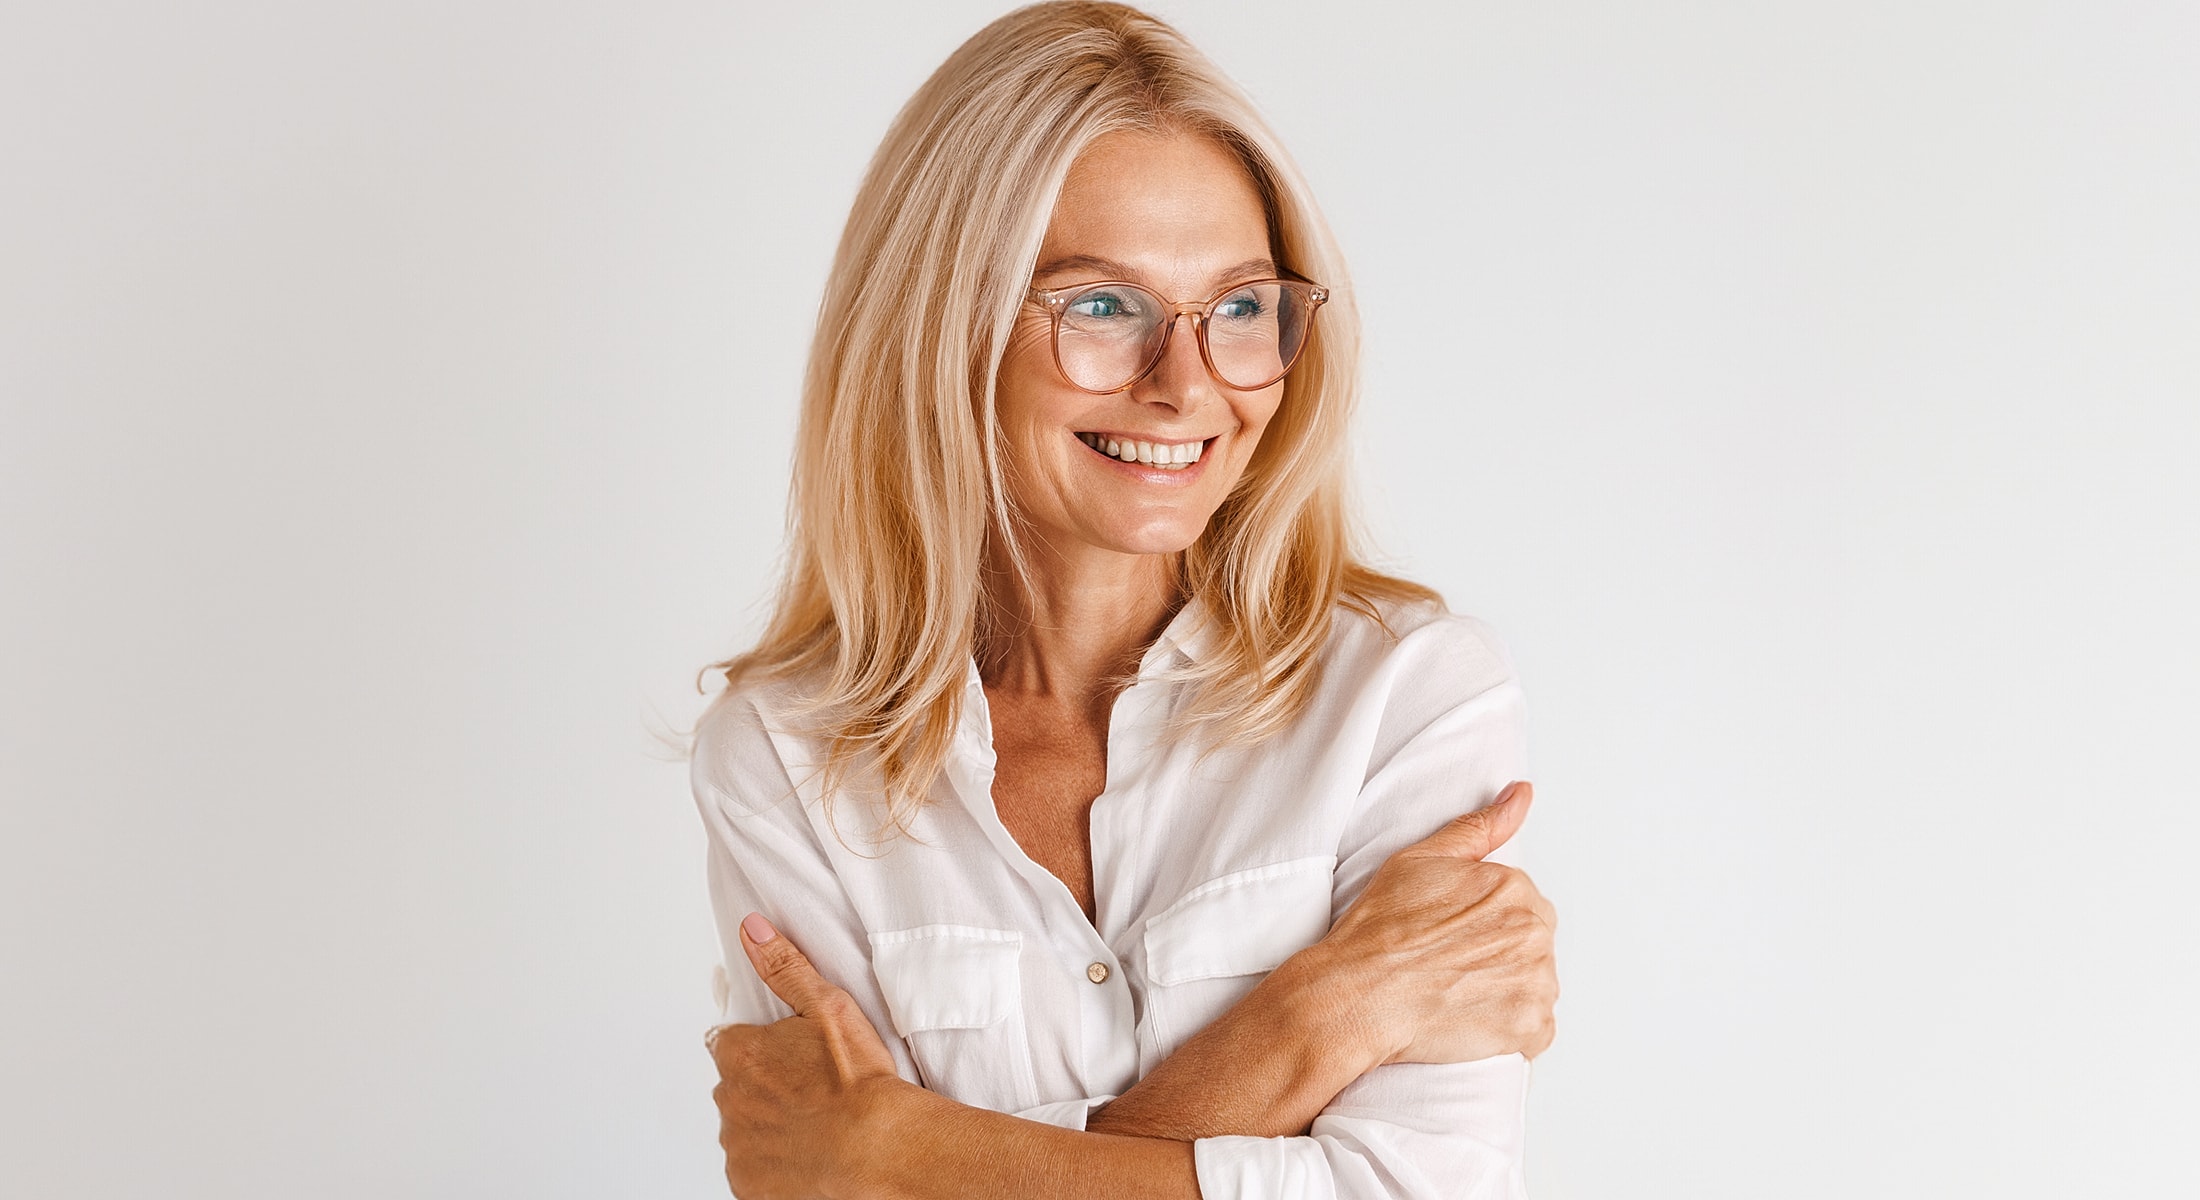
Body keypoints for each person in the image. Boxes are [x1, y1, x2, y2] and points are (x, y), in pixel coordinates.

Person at [691, 3, 1559, 1196]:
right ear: (943, 330)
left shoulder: (1407, 695)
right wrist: (1312, 1020)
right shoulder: (788, 756)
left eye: (1242, 308)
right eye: (1102, 305)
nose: (1187, 384)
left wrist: (899, 1149)